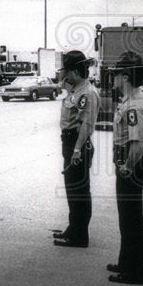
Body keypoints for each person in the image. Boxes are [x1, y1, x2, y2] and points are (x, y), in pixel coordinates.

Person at [107, 52, 143, 284]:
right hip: (127, 162)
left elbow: (138, 142)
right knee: (127, 218)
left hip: (131, 165)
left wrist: (126, 166)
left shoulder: (134, 105)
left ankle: (136, 272)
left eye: (116, 74)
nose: (113, 78)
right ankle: (127, 263)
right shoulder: (129, 100)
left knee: (132, 219)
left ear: (125, 77)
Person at [53, 50, 100, 248]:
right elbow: (61, 82)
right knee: (73, 190)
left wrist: (77, 151)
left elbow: (86, 125)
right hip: (70, 143)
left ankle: (80, 236)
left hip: (77, 144)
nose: (64, 75)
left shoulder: (86, 93)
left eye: (66, 70)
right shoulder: (75, 88)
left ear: (74, 71)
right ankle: (74, 228)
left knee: (79, 191)